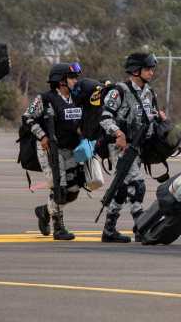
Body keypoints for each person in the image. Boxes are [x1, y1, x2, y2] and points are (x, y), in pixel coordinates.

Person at [98, 52, 165, 243]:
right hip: (120, 147)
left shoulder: (150, 92)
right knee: (138, 185)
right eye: (147, 69)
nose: (151, 73)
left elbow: (147, 117)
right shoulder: (118, 91)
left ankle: (109, 230)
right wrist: (118, 133)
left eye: (152, 69)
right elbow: (105, 117)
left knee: (121, 189)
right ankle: (142, 227)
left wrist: (159, 119)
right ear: (136, 71)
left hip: (138, 146)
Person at [22, 62, 83, 241]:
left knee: (73, 190)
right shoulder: (45, 99)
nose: (75, 81)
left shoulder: (77, 98)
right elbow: (27, 117)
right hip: (50, 149)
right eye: (72, 77)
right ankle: (58, 227)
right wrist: (42, 136)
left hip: (72, 149)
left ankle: (44, 211)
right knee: (59, 188)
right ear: (61, 81)